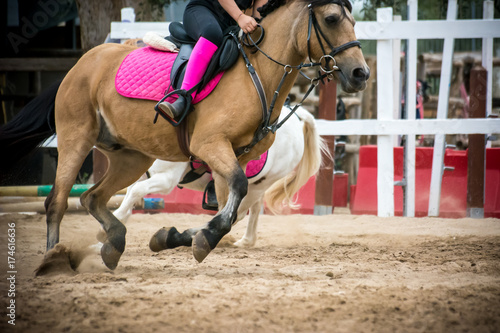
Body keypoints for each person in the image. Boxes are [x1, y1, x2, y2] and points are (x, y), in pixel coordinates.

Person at [157, 0, 268, 122]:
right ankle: (184, 98)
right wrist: (240, 17)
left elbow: (260, 12)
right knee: (212, 33)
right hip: (202, 10)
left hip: (230, 22)